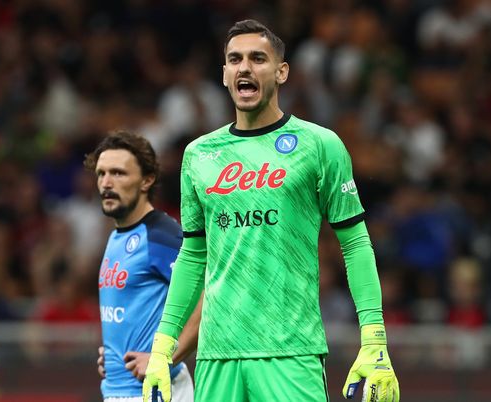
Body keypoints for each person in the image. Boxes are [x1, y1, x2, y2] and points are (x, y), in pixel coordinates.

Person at [143, 20, 399, 402]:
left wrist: (374, 338)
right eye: (235, 60)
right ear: (225, 75)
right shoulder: (199, 155)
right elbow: (194, 256)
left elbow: (356, 244)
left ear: (281, 72)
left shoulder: (319, 145)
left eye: (257, 58)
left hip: (291, 351)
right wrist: (162, 348)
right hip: (217, 354)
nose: (245, 67)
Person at [84, 131, 201, 402]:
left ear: (147, 180)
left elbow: (210, 298)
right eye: (101, 174)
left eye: (118, 173)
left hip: (155, 392)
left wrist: (164, 357)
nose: (106, 183)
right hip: (118, 390)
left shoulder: (161, 236)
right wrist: (113, 357)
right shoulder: (116, 236)